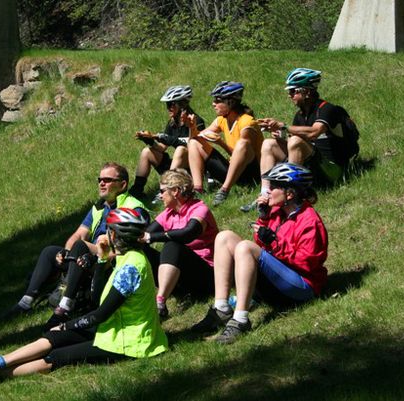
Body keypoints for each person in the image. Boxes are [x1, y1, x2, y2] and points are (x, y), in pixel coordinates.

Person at [0, 208, 168, 384]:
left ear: (113, 235)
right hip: (114, 330)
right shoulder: (126, 258)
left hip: (129, 343)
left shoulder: (131, 266)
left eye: (109, 230)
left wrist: (67, 325)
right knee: (54, 337)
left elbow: (99, 315)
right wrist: (102, 262)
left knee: (57, 357)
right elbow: (96, 300)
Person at [0, 162, 147, 330]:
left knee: (80, 246)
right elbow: (79, 233)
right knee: (50, 251)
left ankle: (64, 307)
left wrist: (87, 249)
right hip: (85, 255)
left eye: (107, 180)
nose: (101, 183)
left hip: (110, 258)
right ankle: (25, 303)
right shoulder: (99, 207)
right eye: (99, 179)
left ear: (122, 184)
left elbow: (127, 243)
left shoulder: (133, 207)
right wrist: (66, 252)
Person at [191, 163, 328, 344]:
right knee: (224, 237)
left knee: (245, 247)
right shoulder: (278, 211)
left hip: (302, 287)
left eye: (273, 187)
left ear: (290, 193)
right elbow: (262, 246)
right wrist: (264, 218)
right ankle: (221, 308)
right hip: (279, 281)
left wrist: (274, 243)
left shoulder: (310, 221)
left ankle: (240, 320)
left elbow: (307, 263)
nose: (267, 191)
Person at [254, 68, 351, 205]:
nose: (289, 95)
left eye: (293, 91)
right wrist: (278, 134)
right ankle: (265, 194)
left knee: (295, 141)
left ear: (306, 91)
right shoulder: (300, 115)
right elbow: (298, 144)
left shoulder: (327, 109)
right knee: (269, 144)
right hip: (313, 166)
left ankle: (290, 193)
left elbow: (314, 132)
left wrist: (284, 126)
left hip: (333, 170)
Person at [139, 169, 218, 319]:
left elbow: (188, 233)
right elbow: (145, 235)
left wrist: (152, 237)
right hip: (184, 276)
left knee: (172, 244)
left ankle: (160, 303)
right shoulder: (168, 213)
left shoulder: (200, 209)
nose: (160, 195)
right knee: (141, 250)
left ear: (175, 191)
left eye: (162, 191)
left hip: (207, 277)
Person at [187, 81, 263, 206]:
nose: (213, 104)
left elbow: (242, 155)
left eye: (217, 100)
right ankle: (198, 189)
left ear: (230, 102)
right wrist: (192, 128)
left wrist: (220, 143)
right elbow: (194, 139)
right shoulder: (221, 120)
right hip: (233, 170)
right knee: (194, 143)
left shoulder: (247, 122)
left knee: (242, 144)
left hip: (251, 173)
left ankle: (224, 190)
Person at [128, 85, 205, 203]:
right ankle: (137, 190)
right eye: (167, 105)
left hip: (192, 169)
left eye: (171, 104)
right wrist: (149, 140)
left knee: (180, 149)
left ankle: (165, 190)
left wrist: (160, 136)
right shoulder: (172, 123)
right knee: (147, 151)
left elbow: (190, 145)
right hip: (177, 167)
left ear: (182, 104)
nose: (168, 108)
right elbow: (162, 148)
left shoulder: (196, 121)